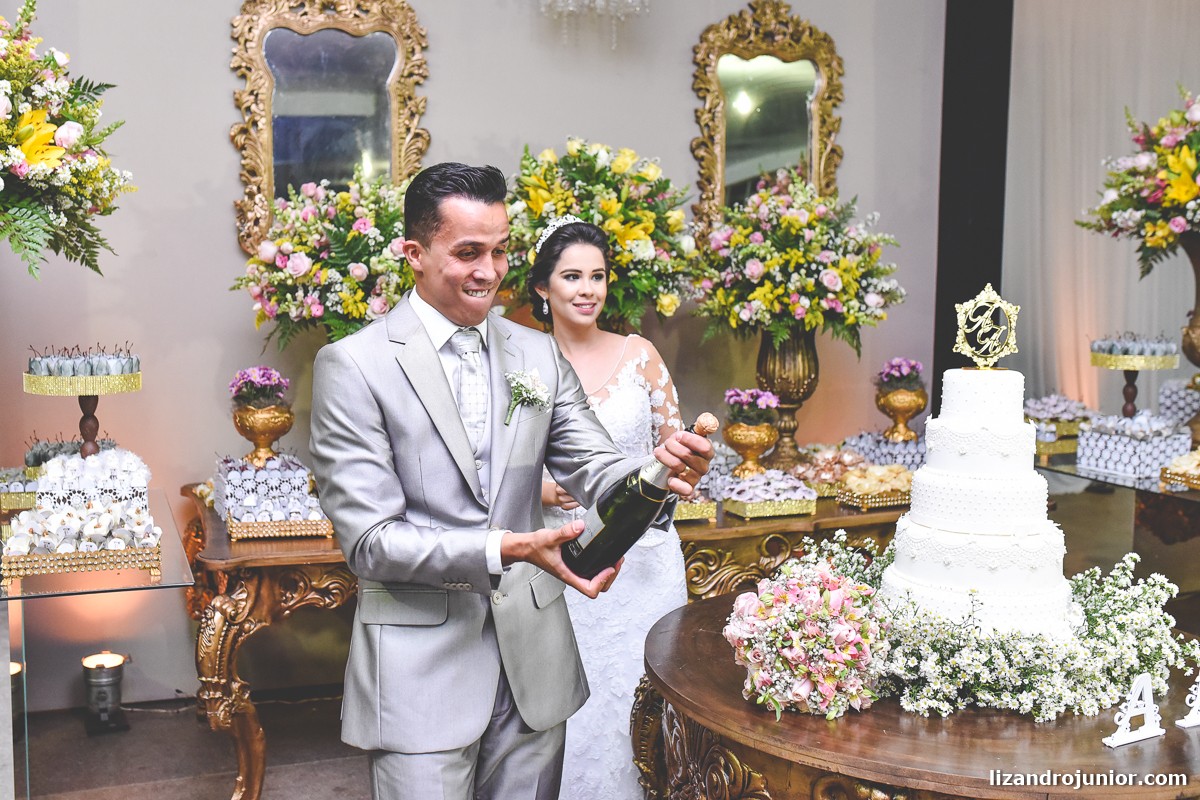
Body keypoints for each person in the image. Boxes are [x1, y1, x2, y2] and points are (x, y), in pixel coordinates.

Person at [307, 162, 713, 800]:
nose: (490, 271)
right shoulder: (354, 365)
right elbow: (370, 542)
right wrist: (506, 548)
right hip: (420, 669)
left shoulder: (536, 352)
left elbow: (595, 464)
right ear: (414, 254)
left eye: (499, 251)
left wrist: (659, 470)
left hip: (534, 662)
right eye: (468, 253)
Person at [530, 217, 688, 800]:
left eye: (597, 276)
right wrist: (545, 490)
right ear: (542, 287)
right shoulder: (524, 363)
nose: (587, 289)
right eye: (572, 276)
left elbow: (674, 453)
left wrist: (680, 470)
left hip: (646, 559)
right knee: (573, 700)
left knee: (644, 693)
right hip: (563, 556)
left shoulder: (639, 354)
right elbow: (490, 465)